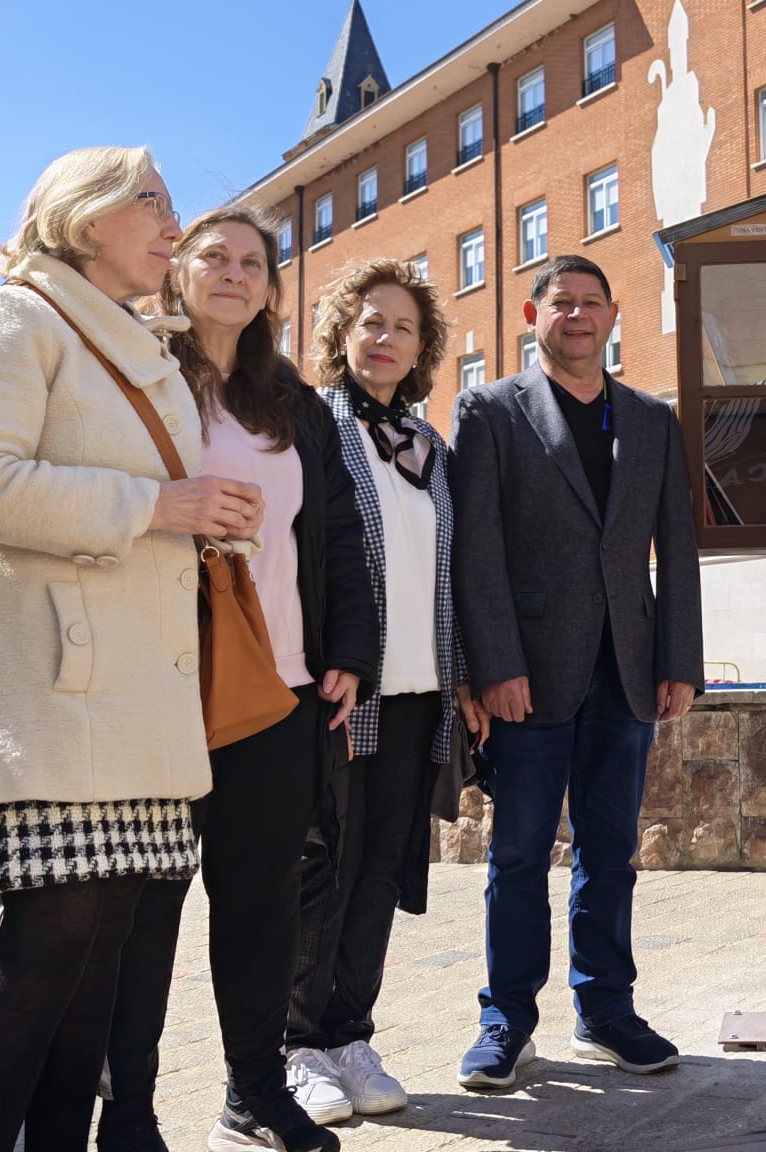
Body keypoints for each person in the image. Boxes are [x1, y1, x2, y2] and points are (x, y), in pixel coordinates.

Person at [0, 148, 261, 1152]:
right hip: (53, 691)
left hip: (136, 698)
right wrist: (160, 507)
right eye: (151, 201)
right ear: (82, 218)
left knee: (100, 961)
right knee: (47, 952)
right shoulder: (13, 317)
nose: (173, 224)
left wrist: (200, 520)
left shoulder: (137, 347)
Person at [103, 207, 377, 1152]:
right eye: (212, 256)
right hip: (160, 682)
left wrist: (351, 649)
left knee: (261, 906)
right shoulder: (139, 377)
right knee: (146, 909)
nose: (232, 272)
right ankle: (127, 1114)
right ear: (175, 272)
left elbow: (337, 532)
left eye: (252, 262)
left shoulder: (291, 401)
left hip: (280, 690)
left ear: (270, 289)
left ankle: (255, 1094)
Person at [448, 254, 703, 1089]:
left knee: (612, 852)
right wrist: (494, 663)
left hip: (626, 671)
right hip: (527, 673)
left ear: (613, 316)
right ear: (533, 314)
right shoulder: (490, 410)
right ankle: (506, 1022)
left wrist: (679, 659)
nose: (579, 315)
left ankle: (606, 1012)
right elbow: (475, 548)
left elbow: (677, 547)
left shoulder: (651, 419)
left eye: (593, 303)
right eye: (563, 302)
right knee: (519, 854)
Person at [282, 258, 489, 1121]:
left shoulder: (430, 447)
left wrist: (464, 676)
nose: (385, 338)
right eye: (371, 321)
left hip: (418, 693)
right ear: (341, 332)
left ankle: (350, 1035)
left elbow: (450, 573)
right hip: (341, 690)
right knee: (321, 867)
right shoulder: (308, 429)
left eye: (403, 327)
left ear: (421, 348)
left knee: (380, 869)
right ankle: (294, 1047)